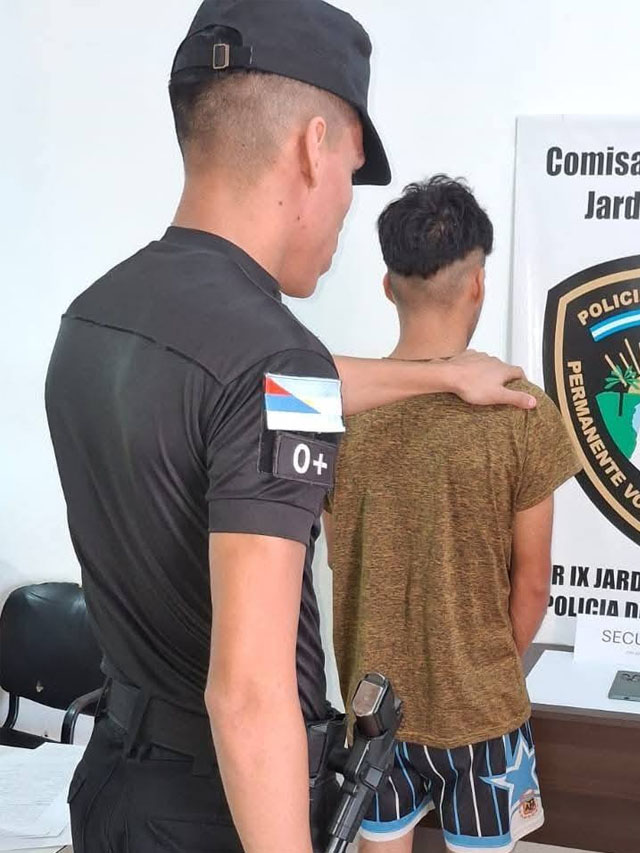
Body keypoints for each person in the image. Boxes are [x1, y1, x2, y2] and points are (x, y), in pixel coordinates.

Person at [44, 1, 534, 849]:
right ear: (313, 147)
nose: (346, 205)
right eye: (351, 169)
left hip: (112, 785)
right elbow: (249, 695)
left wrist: (444, 374)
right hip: (224, 809)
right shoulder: (275, 358)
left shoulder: (97, 314)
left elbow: (250, 385)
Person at [327, 176, 581, 853]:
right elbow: (533, 585)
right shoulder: (523, 412)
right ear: (478, 284)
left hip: (374, 708)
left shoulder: (337, 414)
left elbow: (339, 559)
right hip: (483, 716)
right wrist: (481, 674)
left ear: (388, 287)